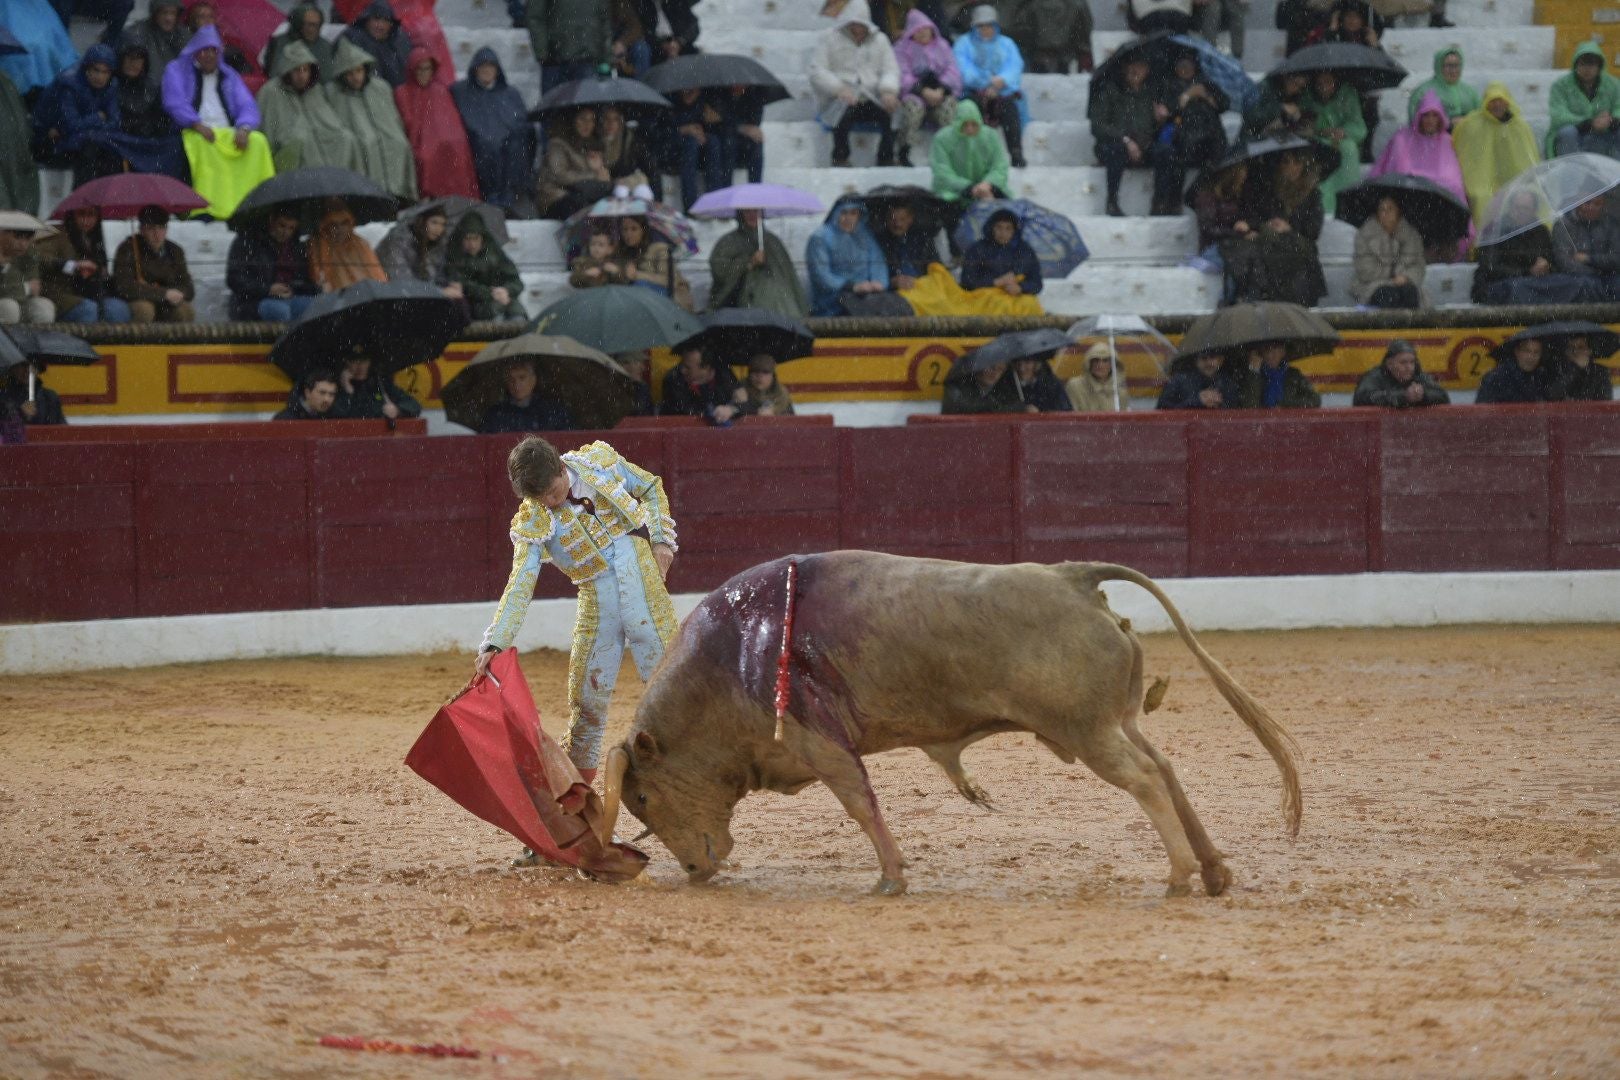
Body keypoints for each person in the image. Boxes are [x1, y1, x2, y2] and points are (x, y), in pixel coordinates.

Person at [476, 437, 679, 808]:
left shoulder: (597, 462)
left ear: (560, 469)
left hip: (644, 586)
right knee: (586, 706)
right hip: (596, 602)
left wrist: (662, 540)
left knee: (670, 694)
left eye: (554, 491)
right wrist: (495, 641)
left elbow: (650, 486)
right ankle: (575, 808)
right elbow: (521, 581)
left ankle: (688, 790)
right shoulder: (533, 520)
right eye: (543, 499)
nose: (552, 503)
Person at [160, 26, 275, 220]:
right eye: (204, 50)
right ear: (195, 51)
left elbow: (246, 105)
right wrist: (195, 124)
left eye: (213, 51)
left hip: (228, 131)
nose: (208, 56)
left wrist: (245, 128)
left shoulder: (229, 75)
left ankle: (256, 203)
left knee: (258, 142)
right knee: (203, 146)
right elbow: (174, 102)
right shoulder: (177, 70)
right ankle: (210, 206)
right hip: (194, 130)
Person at [1222, 149, 1326, 307]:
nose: (1282, 166)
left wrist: (1289, 228)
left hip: (1298, 249)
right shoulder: (1273, 189)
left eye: (1287, 162)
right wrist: (1263, 225)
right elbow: (1261, 216)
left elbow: (1313, 230)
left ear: (1299, 165)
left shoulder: (1313, 196)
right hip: (1274, 247)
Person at [1370, 90, 1468, 255]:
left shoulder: (1447, 141)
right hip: (1413, 200)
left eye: (1434, 115)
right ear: (1419, 117)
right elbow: (1399, 172)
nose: (1430, 120)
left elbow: (1453, 180)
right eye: (1426, 115)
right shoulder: (1403, 138)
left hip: (1440, 204)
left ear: (1441, 118)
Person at [325, 39, 418, 202]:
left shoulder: (380, 88)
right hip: (358, 140)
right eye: (350, 73)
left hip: (384, 137)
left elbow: (393, 120)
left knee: (399, 144)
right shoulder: (333, 93)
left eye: (359, 71)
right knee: (366, 145)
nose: (356, 77)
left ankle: (398, 193)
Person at [809, 6, 901, 167]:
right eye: (854, 24)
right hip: (841, 97)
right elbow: (816, 70)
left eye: (861, 25)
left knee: (894, 110)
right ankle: (840, 157)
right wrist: (838, 88)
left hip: (871, 96)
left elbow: (891, 69)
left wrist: (888, 90)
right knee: (841, 110)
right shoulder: (830, 38)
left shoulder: (880, 40)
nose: (857, 28)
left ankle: (886, 157)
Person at [1471, 191, 1598, 306]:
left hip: (1534, 282)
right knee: (1518, 289)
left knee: (1574, 284)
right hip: (1497, 285)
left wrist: (1546, 266)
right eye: (1516, 207)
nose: (1519, 212)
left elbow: (1553, 261)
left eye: (1525, 209)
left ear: (1534, 211)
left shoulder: (1540, 231)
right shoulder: (1494, 230)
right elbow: (1489, 268)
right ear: (1509, 208)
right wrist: (1527, 272)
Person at [257, 41, 362, 173]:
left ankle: (343, 184)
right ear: (287, 70)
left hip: (317, 140)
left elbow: (330, 122)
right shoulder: (270, 92)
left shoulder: (315, 90)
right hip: (287, 149)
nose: (301, 76)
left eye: (305, 70)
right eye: (297, 70)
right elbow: (269, 132)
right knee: (303, 141)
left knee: (346, 138)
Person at [451, 49, 534, 216]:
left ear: (498, 70)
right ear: (475, 69)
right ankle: (491, 195)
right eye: (482, 67)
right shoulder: (461, 92)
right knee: (487, 144)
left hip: (508, 142)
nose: (487, 71)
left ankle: (511, 194)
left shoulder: (510, 93)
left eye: (491, 67)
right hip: (476, 141)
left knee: (520, 140)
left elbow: (520, 119)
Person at [1152, 46, 1231, 216]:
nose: (1185, 69)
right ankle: (1172, 201)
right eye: (1181, 66)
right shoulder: (1168, 84)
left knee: (1220, 154)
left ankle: (1193, 191)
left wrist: (1206, 96)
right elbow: (1169, 110)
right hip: (1184, 132)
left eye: (1188, 65)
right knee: (1178, 154)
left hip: (1210, 133)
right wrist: (1187, 96)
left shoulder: (1206, 82)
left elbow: (1224, 104)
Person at [395, 50, 480, 202]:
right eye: (419, 68)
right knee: (426, 157)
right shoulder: (402, 92)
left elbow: (451, 123)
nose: (423, 73)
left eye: (427, 68)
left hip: (443, 142)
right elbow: (407, 121)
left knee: (458, 153)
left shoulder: (440, 90)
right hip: (416, 141)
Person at [1453, 82, 1540, 227]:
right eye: (1492, 101)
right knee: (1481, 197)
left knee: (1530, 194)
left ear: (1508, 102)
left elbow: (1528, 159)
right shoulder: (1471, 123)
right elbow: (1463, 151)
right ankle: (1483, 243)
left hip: (1513, 181)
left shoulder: (1519, 126)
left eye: (1501, 101)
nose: (1497, 105)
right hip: (1481, 181)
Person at [1090, 54, 1163, 217]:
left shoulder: (1149, 94)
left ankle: (1160, 203)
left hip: (1143, 145)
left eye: (1140, 66)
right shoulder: (1109, 90)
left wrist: (1161, 120)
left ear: (1147, 70)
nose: (1135, 70)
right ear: (1124, 68)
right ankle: (1112, 202)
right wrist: (1126, 140)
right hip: (1114, 143)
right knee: (1116, 151)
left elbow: (1152, 130)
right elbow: (1097, 126)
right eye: (1131, 66)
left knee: (1166, 153)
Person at [955, 5, 1027, 168]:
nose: (985, 29)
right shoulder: (964, 43)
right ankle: (974, 155)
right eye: (981, 26)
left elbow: (1015, 66)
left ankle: (1016, 152)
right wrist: (986, 82)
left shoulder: (1007, 44)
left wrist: (1002, 81)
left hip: (1002, 93)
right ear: (974, 26)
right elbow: (962, 69)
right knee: (972, 111)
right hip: (973, 92)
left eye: (989, 25)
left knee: (1010, 110)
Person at [930, 100, 1010, 244]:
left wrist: (988, 184)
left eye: (974, 124)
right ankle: (956, 252)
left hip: (986, 188)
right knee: (950, 210)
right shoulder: (942, 139)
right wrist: (968, 187)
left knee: (1006, 211)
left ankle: (999, 248)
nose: (970, 129)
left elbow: (1000, 166)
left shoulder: (990, 136)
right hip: (954, 191)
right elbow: (942, 172)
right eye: (965, 124)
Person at [53, 46, 134, 184]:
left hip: (97, 140)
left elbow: (115, 122)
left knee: (113, 153)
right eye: (96, 70)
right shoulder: (70, 87)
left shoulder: (111, 87)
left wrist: (90, 126)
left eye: (105, 72)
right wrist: (97, 118)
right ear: (86, 70)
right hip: (68, 145)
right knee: (90, 151)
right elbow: (71, 125)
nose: (100, 77)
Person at [707, 210, 810, 318]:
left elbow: (790, 278)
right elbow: (720, 275)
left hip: (782, 307)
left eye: (756, 211)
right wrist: (749, 263)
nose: (752, 215)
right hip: (742, 306)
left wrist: (803, 309)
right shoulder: (728, 242)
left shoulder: (773, 242)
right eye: (747, 211)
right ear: (740, 214)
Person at [38, 207, 132, 324]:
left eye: (92, 215)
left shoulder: (95, 238)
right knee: (88, 309)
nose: (87, 220)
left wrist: (100, 272)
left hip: (92, 292)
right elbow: (39, 257)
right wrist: (71, 266)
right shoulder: (56, 234)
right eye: (81, 214)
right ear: (72, 215)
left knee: (118, 309)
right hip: (60, 293)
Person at [893, 10, 960, 168]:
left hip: (940, 91)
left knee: (949, 108)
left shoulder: (942, 46)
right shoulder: (901, 48)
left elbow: (953, 70)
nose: (922, 32)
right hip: (915, 93)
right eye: (917, 30)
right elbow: (902, 74)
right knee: (912, 109)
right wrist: (922, 90)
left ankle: (947, 152)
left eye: (925, 28)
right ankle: (904, 150)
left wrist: (941, 89)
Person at [226, 209, 318, 321]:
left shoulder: (295, 247)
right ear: (271, 220)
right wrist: (268, 289)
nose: (285, 232)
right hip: (252, 302)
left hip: (289, 298)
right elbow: (234, 279)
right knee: (279, 311)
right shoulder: (248, 241)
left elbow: (303, 278)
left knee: (316, 307)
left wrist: (293, 287)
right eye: (282, 226)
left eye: (291, 228)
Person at [807, 196, 890, 316]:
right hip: (833, 299)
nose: (848, 218)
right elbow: (821, 275)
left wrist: (879, 284)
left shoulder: (865, 236)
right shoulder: (820, 238)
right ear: (835, 214)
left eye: (853, 213)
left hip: (867, 296)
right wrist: (852, 286)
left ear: (859, 216)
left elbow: (878, 263)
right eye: (844, 213)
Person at [114, 42, 186, 179]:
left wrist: (148, 128)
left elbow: (162, 119)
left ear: (144, 63)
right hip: (122, 139)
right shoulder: (111, 85)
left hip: (149, 139)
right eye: (129, 58)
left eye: (138, 59)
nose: (133, 63)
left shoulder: (152, 87)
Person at [111, 205, 195, 322]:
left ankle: (175, 340)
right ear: (141, 229)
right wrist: (162, 293)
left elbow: (188, 286)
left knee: (185, 311)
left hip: (167, 302)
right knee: (144, 310)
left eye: (161, 228)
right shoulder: (128, 249)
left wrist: (178, 293)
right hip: (138, 299)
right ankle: (139, 340)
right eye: (151, 228)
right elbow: (124, 286)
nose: (157, 234)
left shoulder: (175, 251)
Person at [1301, 69, 1363, 216]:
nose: (1323, 87)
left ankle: (1348, 203)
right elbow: (1304, 126)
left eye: (1328, 82)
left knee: (1349, 149)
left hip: (1344, 144)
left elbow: (1359, 127)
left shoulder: (1347, 95)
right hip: (1316, 144)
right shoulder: (1307, 97)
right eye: (1319, 83)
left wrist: (1343, 131)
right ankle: (1325, 208)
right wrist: (1321, 132)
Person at [445, 212, 526, 321]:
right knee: (497, 321)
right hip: (478, 307)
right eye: (468, 239)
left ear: (482, 238)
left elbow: (516, 281)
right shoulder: (454, 258)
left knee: (518, 319)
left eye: (475, 238)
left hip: (505, 300)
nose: (472, 244)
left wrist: (506, 290)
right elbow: (462, 284)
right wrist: (491, 293)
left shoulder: (495, 254)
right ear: (461, 239)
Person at [537, 107, 614, 220]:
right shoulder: (557, 144)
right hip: (555, 198)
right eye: (582, 119)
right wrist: (594, 175)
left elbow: (599, 179)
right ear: (572, 120)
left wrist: (599, 170)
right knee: (579, 205)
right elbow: (559, 175)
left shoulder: (591, 145)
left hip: (579, 196)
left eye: (592, 120)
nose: (587, 124)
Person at [1351, 196, 1428, 308]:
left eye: (1390, 209)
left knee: (1410, 294)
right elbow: (1364, 270)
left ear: (1398, 212)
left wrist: (1406, 277)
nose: (1385, 213)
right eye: (1382, 209)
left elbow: (1418, 266)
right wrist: (1392, 276)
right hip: (1372, 285)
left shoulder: (1411, 236)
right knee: (1388, 296)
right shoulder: (1364, 236)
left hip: (1403, 283)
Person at [1548, 43, 1620, 160]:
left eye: (1592, 64)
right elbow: (1558, 115)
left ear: (1599, 66)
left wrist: (1611, 120)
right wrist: (1588, 123)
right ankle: (1571, 173)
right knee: (1567, 132)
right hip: (1575, 135)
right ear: (1575, 65)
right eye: (1583, 64)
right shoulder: (1560, 86)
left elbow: (1619, 106)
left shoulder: (1614, 84)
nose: (1587, 69)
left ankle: (1616, 174)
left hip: (1604, 133)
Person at [526, 0, 610, 96]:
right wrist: (543, 52)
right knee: (560, 105)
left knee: (577, 105)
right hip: (557, 59)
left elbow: (604, 19)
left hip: (582, 58)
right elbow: (535, 17)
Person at [959, 207, 1042, 298]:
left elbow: (1037, 283)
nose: (1003, 233)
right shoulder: (977, 249)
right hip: (985, 296)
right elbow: (967, 281)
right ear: (991, 227)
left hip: (1015, 296)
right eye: (999, 227)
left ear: (1014, 231)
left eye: (1008, 228)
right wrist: (996, 282)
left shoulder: (1025, 250)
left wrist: (1021, 287)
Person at [1553, 195, 1620, 302]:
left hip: (1610, 276)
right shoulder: (1564, 226)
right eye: (1587, 203)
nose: (1591, 207)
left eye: (1597, 204)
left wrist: (1589, 259)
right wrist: (1593, 273)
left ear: (1603, 205)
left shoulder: (1610, 224)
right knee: (1587, 286)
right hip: (1578, 278)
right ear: (1578, 203)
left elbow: (1616, 258)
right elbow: (1564, 261)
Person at [617, 214, 692, 309]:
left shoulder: (659, 249)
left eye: (634, 229)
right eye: (625, 229)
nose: (628, 234)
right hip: (642, 300)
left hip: (671, 299)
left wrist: (636, 275)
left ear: (643, 230)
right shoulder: (624, 253)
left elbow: (669, 280)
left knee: (640, 286)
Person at [309, 202, 388, 292]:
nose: (339, 229)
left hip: (368, 294)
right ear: (326, 226)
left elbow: (378, 275)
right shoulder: (319, 245)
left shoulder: (360, 243)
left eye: (344, 223)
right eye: (334, 225)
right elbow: (320, 279)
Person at [482, 358, 574, 431]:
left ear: (533, 379)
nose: (516, 384)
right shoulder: (495, 414)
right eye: (511, 379)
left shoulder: (553, 411)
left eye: (522, 378)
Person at [1352, 339, 1449, 407]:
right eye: (1403, 362)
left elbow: (1443, 396)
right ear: (1389, 364)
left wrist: (1423, 395)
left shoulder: (1418, 375)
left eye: (1412, 362)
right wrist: (1403, 397)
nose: (1409, 367)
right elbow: (1362, 398)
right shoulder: (1374, 377)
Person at [661, 345, 744, 423]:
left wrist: (731, 409)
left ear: (706, 367)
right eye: (682, 363)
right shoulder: (673, 379)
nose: (682, 370)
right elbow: (687, 413)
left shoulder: (723, 372)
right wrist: (718, 412)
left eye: (688, 367)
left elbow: (742, 399)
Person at [1005, 0, 1093, 73]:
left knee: (1038, 88)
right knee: (1063, 87)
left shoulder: (1029, 4)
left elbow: (1020, 30)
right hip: (1065, 57)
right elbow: (1084, 30)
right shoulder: (1077, 4)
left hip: (1038, 56)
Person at [340, 0, 412, 88]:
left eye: (386, 20)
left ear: (391, 24)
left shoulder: (399, 40)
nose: (380, 25)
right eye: (376, 19)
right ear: (366, 20)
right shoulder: (352, 37)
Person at [1406, 46, 1479, 126]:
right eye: (1448, 65)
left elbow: (1481, 118)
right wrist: (1448, 123)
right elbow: (1415, 122)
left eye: (1456, 65)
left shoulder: (1470, 92)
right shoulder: (1422, 92)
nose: (1453, 70)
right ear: (1438, 66)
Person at [1476, 337, 1562, 404]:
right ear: (1516, 351)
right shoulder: (1495, 378)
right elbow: (1483, 413)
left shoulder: (1543, 376)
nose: (1531, 357)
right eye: (1526, 351)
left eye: (1536, 352)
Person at [1234, 341, 1320, 408]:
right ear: (1261, 353)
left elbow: (1315, 400)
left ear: (1283, 352)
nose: (1271, 354)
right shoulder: (1253, 374)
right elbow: (1249, 405)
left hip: (1288, 424)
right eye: (1267, 349)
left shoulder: (1293, 374)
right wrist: (1254, 371)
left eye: (1275, 349)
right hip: (1261, 425)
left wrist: (1284, 403)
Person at [0, 222, 55, 326]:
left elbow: (35, 289)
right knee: (9, 307)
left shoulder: (29, 253)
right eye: (18, 237)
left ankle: (38, 341)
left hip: (21, 302)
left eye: (28, 238)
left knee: (44, 306)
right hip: (6, 306)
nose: (23, 244)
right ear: (2, 234)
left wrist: (20, 288)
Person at [599, 104, 660, 198]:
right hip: (610, 186)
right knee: (620, 193)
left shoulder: (631, 141)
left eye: (615, 119)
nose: (610, 123)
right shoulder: (596, 142)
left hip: (634, 180)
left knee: (643, 192)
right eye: (607, 119)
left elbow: (648, 167)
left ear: (620, 122)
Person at [333, 355, 422, 419]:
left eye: (364, 360)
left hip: (381, 439)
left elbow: (415, 406)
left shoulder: (381, 384)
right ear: (347, 363)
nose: (360, 365)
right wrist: (348, 392)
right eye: (355, 361)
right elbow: (338, 415)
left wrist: (397, 410)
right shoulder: (336, 387)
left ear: (369, 363)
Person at [875, 203, 940, 290]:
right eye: (892, 219)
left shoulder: (923, 240)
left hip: (924, 290)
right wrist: (892, 282)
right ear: (886, 220)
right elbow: (874, 275)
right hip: (894, 295)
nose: (897, 224)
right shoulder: (878, 243)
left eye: (902, 219)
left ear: (910, 219)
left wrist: (924, 282)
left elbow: (937, 268)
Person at [118, 0, 190, 77]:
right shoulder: (138, 33)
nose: (168, 18)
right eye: (164, 13)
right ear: (155, 13)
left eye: (172, 13)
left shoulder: (184, 35)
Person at [265, 2, 333, 80]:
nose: (312, 29)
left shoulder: (324, 46)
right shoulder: (279, 42)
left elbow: (328, 79)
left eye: (316, 25)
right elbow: (275, 75)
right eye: (309, 24)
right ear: (298, 24)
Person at [1156, 349, 1238, 409]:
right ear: (1196, 361)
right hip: (1187, 430)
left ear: (1220, 360)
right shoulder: (1179, 380)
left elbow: (1236, 409)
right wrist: (1197, 401)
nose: (1208, 363)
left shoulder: (1227, 382)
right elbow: (1162, 408)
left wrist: (1218, 402)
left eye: (1212, 358)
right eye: (1204, 358)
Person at [1242, 72, 1311, 142]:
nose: (1296, 89)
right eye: (1295, 84)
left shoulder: (1291, 95)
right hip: (1251, 137)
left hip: (1273, 138)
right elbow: (1252, 116)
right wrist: (1281, 108)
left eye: (1301, 87)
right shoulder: (1265, 87)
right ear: (1286, 78)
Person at [941, 359, 1020, 413]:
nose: (995, 372)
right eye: (991, 367)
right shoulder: (959, 384)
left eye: (1000, 369)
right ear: (979, 367)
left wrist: (1023, 408)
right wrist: (992, 405)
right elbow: (959, 407)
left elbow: (1013, 405)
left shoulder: (1002, 389)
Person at [2, 360, 67, 425]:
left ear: (38, 370)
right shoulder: (3, 396)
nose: (28, 370)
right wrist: (18, 412)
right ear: (12, 369)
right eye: (23, 365)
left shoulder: (49, 396)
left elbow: (60, 430)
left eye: (33, 365)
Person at [1553, 333, 1615, 401]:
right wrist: (1575, 368)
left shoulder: (1600, 371)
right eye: (1571, 348)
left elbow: (1605, 399)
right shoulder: (1559, 368)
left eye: (1580, 347)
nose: (1575, 351)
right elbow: (1554, 394)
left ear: (1589, 351)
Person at [1064, 342, 1125, 411]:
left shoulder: (1119, 390)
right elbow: (1071, 417)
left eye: (1105, 360)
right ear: (1089, 363)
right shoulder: (1075, 386)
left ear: (1113, 364)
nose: (1100, 365)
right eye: (1096, 360)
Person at [273, 368, 340, 419]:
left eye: (332, 394)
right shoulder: (286, 419)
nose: (327, 399)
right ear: (307, 392)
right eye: (322, 393)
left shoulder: (336, 417)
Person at [615, 349, 656, 416]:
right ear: (624, 365)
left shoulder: (643, 387)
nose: (643, 368)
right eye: (637, 362)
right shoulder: (611, 389)